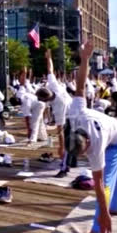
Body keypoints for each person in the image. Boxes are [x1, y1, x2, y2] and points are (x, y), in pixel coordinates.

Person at [66, 39, 117, 233]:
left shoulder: (96, 145)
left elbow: (100, 187)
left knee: (107, 181)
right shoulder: (76, 114)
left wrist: (104, 215)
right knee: (114, 170)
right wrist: (84, 59)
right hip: (110, 129)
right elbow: (81, 85)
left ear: (88, 144)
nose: (85, 156)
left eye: (84, 153)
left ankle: (96, 231)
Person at [35, 49, 73, 177]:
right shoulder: (53, 85)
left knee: (67, 143)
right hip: (73, 110)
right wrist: (48, 58)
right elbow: (50, 70)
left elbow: (60, 130)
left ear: (46, 99)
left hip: (72, 117)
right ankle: (71, 161)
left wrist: (60, 147)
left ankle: (64, 168)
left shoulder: (58, 106)